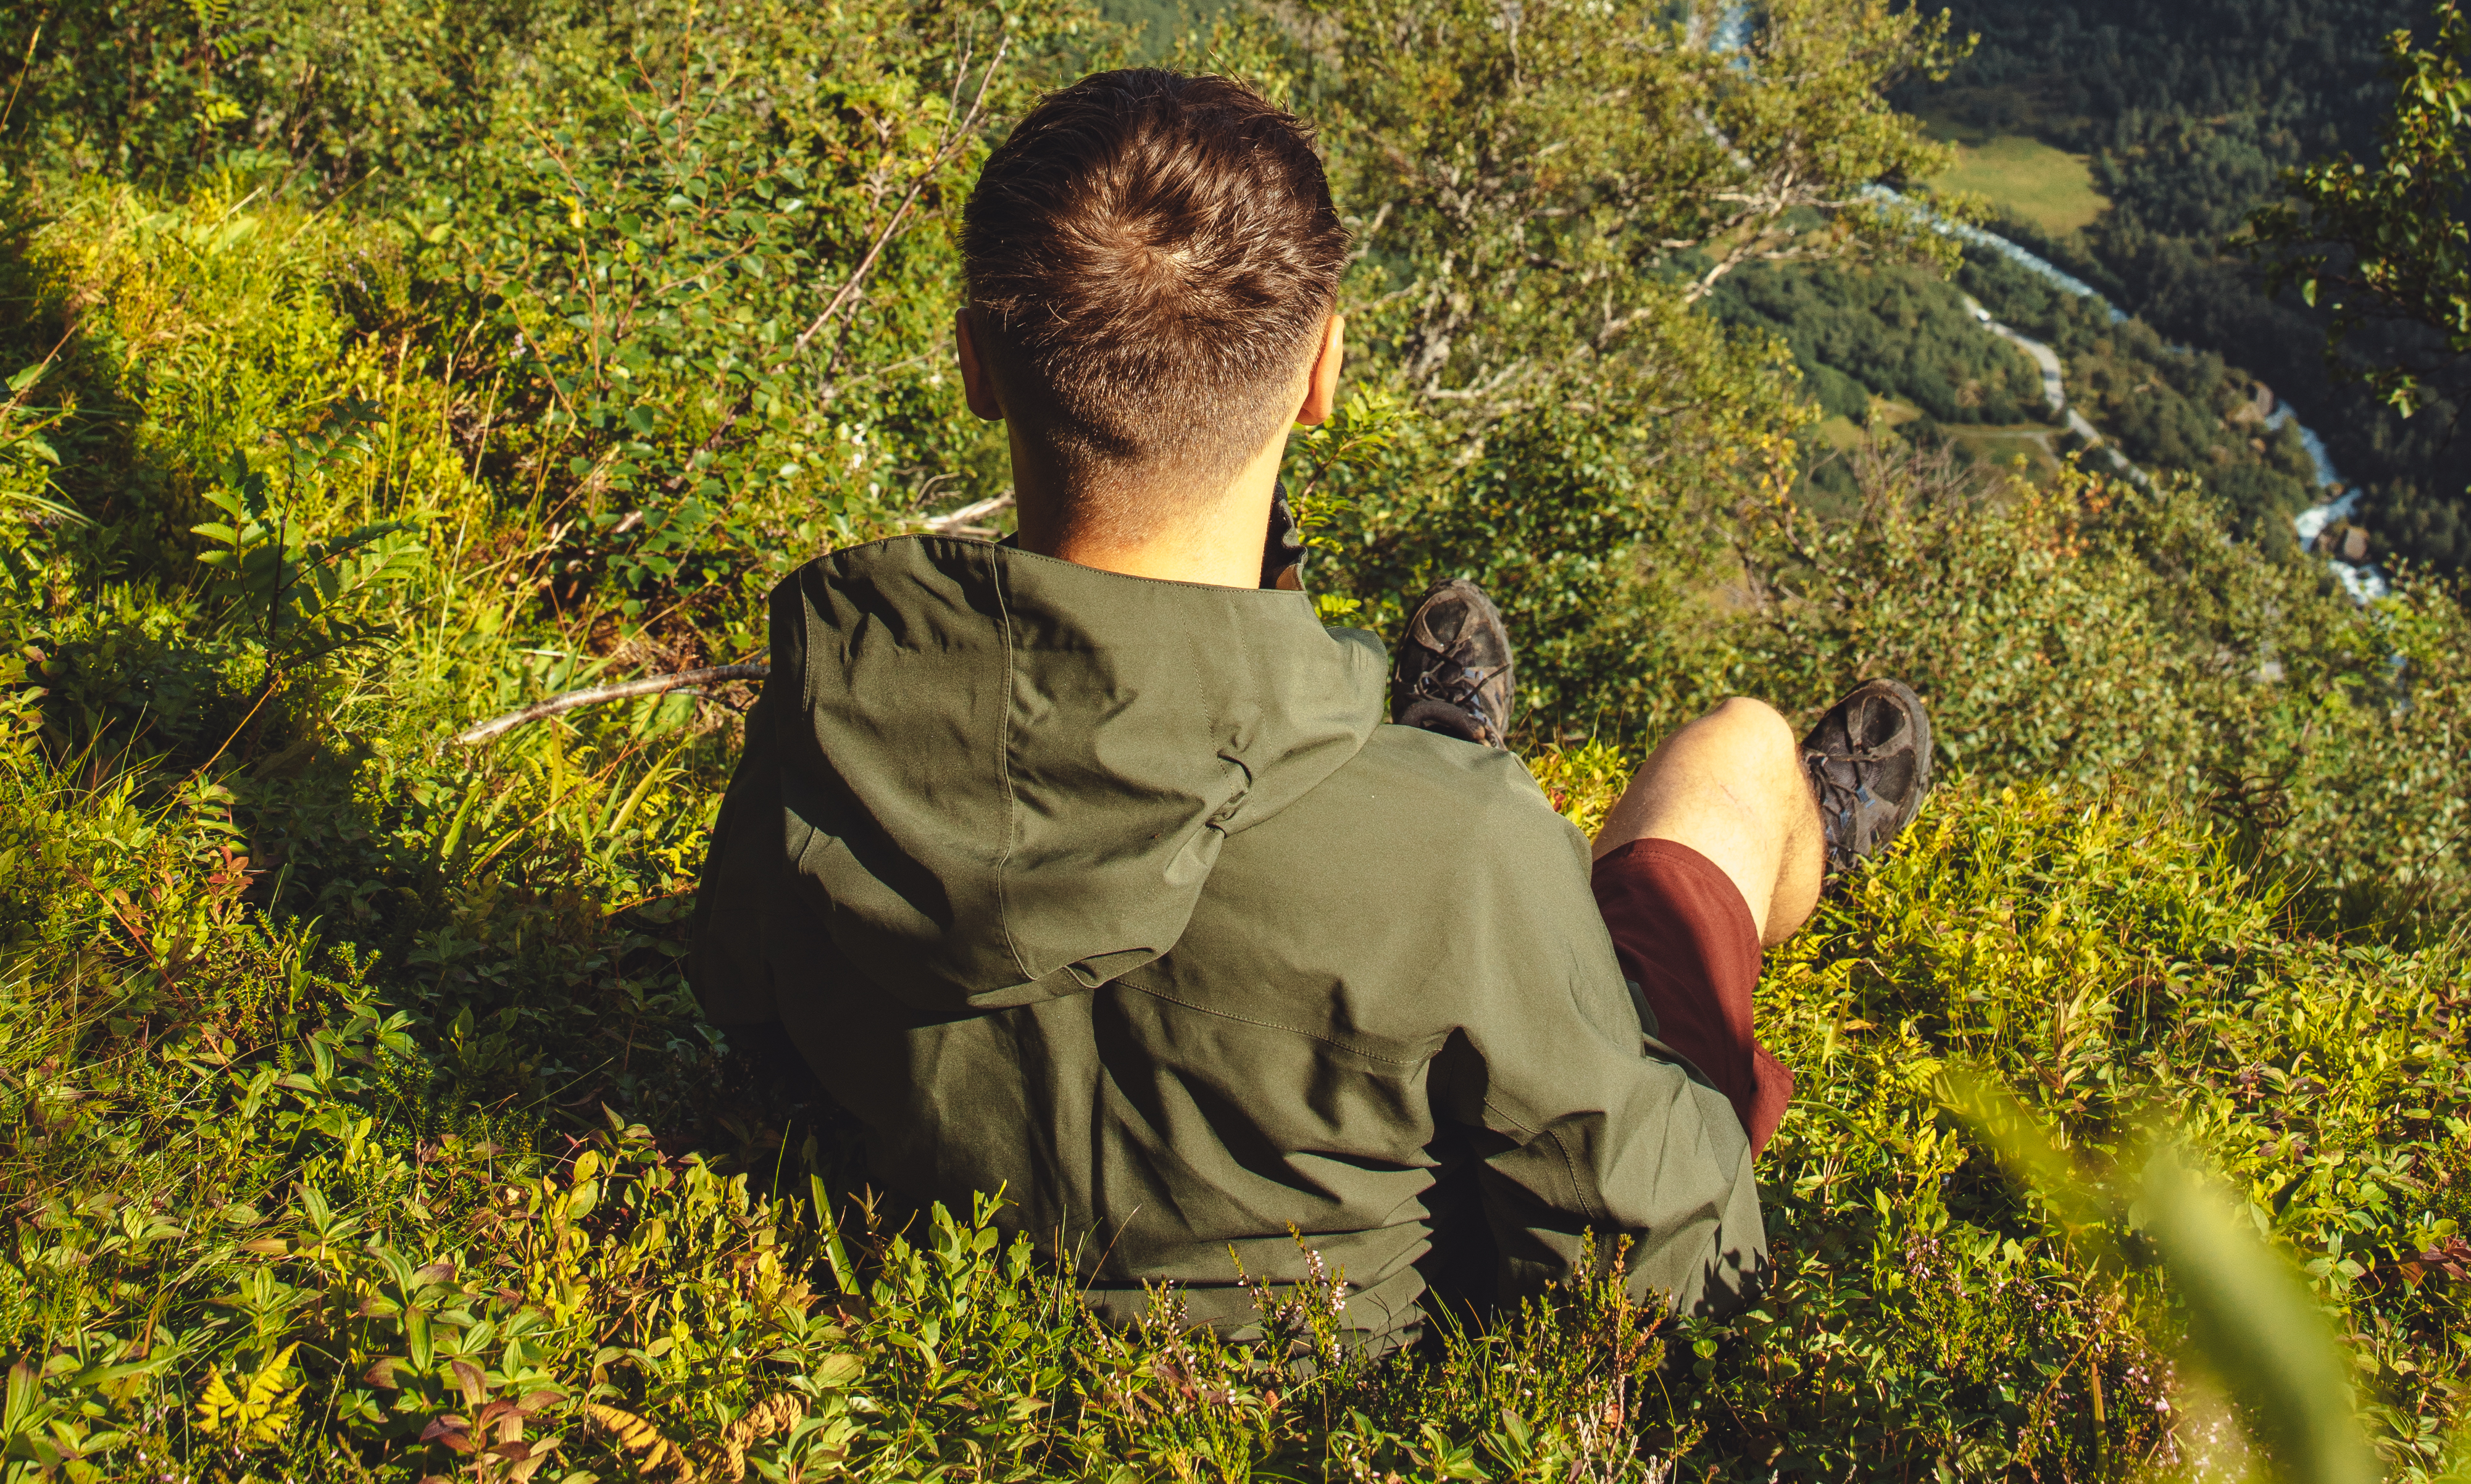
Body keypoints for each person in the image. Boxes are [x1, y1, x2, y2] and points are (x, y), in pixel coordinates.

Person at [689, 66, 1932, 1338]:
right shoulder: (1464, 848)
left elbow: (748, 1009)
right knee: (1731, 762)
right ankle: (1791, 828)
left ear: (974, 364)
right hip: (1326, 1375)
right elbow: (1671, 1269)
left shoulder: (831, 706)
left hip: (954, 1265)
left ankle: (1421, 742)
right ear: (1323, 366)